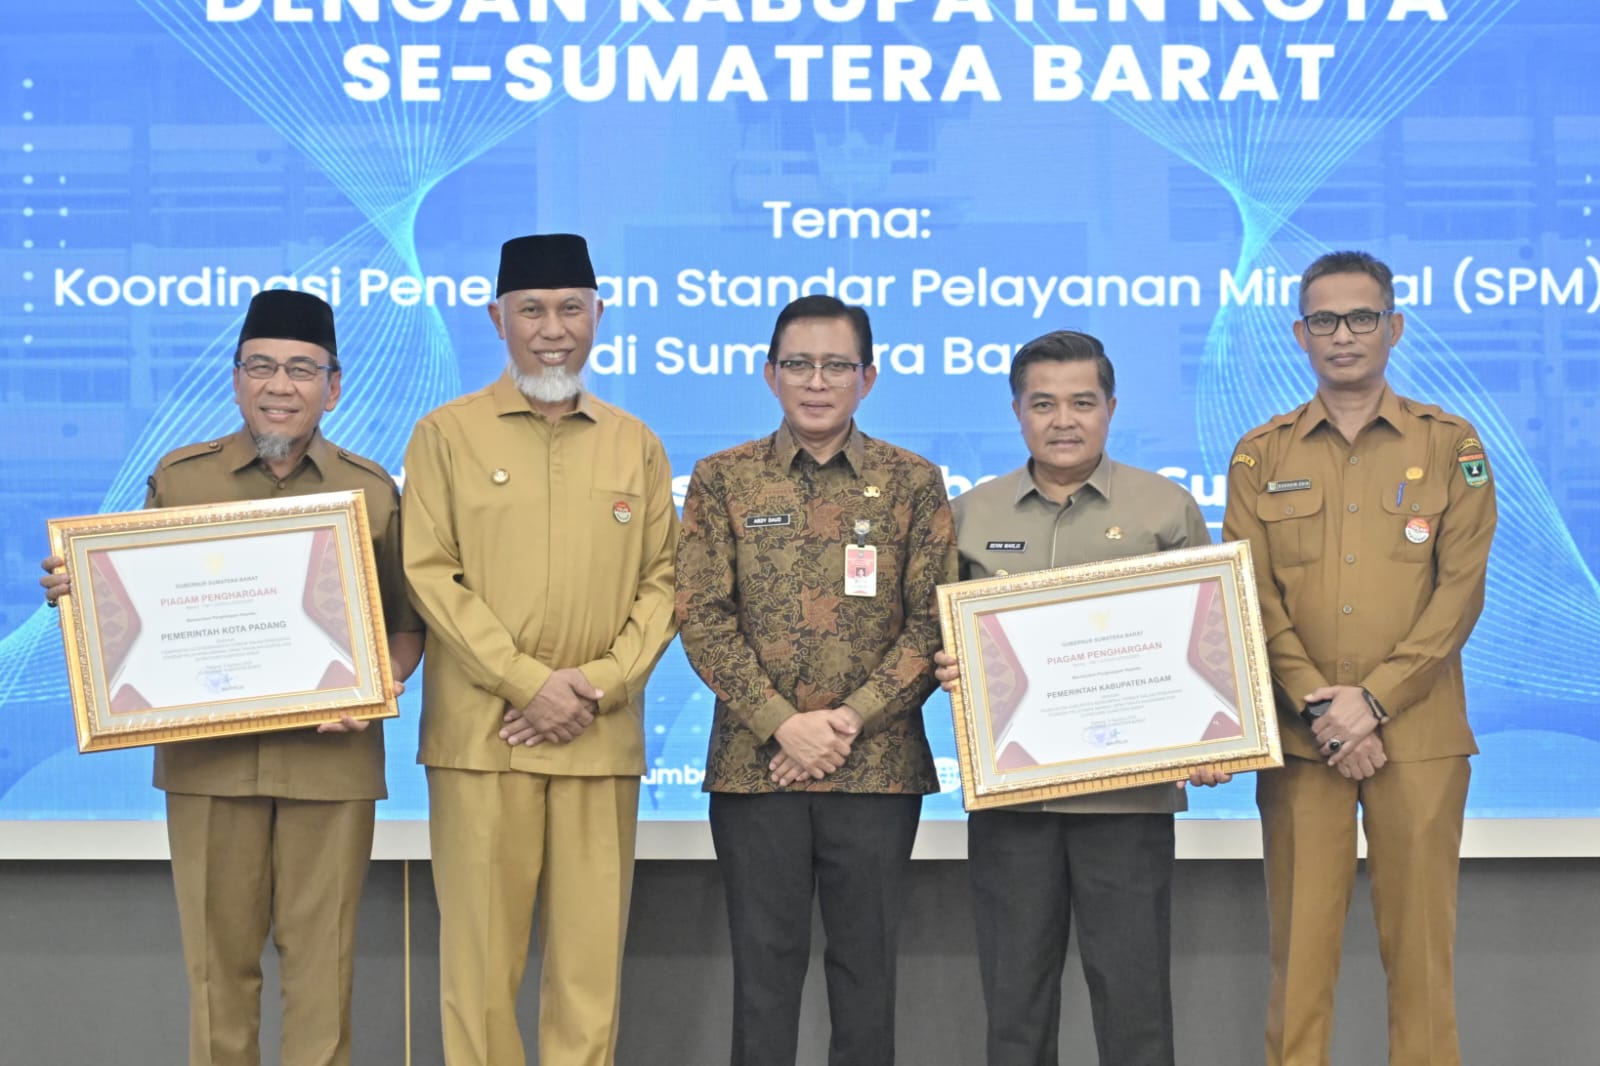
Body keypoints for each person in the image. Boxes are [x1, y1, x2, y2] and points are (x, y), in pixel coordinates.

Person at [40, 288, 425, 1066]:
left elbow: (407, 626)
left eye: (301, 369)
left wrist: (377, 683)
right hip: (207, 763)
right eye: (260, 366)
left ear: (333, 387)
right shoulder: (181, 479)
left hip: (332, 762)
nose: (279, 385)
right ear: (235, 379)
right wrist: (80, 589)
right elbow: (135, 602)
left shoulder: (372, 491)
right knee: (217, 975)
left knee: (323, 972)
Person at [400, 233, 678, 1066]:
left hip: (598, 738)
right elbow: (430, 575)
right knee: (481, 973)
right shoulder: (445, 435)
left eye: (569, 309)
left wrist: (594, 686)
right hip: (483, 742)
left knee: (589, 977)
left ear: (599, 315)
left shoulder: (635, 443)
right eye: (531, 310)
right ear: (497, 319)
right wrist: (527, 683)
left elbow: (665, 583)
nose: (552, 330)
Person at [1222, 250, 1496, 1066]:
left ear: (1394, 327)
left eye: (1362, 317)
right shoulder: (1260, 454)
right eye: (1325, 320)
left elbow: (1460, 594)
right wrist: (1323, 707)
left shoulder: (1451, 444)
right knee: (1299, 960)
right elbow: (1251, 595)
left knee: (1422, 960)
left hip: (1420, 738)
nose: (1343, 335)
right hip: (1304, 742)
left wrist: (1371, 703)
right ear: (1300, 334)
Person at [675, 294, 958, 1066]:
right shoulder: (723, 479)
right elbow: (702, 618)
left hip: (876, 770)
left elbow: (933, 622)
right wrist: (783, 725)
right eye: (798, 364)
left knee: (867, 978)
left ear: (868, 377)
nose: (817, 381)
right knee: (763, 980)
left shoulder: (912, 481)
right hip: (755, 769)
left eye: (837, 365)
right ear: (769, 374)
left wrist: (846, 721)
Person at [931, 329, 1227, 1066]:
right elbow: (938, 639)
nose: (1063, 420)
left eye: (1082, 402)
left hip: (1129, 806)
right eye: (1043, 404)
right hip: (1012, 806)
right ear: (1017, 412)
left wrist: (1215, 734)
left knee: (1134, 1009)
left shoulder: (1167, 508)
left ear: (1111, 407)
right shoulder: (970, 516)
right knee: (1016, 1011)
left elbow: (1211, 642)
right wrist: (951, 665)